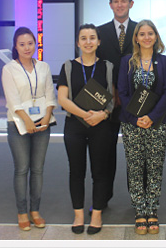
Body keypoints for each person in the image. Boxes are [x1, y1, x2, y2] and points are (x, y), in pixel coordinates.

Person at [57, 24, 115, 235]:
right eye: (84, 38)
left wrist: (103, 115)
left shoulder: (107, 67)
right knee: (76, 171)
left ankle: (97, 214)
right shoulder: (69, 66)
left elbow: (112, 98)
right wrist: (86, 115)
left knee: (100, 171)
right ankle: (79, 214)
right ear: (78, 42)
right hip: (75, 126)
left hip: (101, 126)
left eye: (92, 38)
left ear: (98, 41)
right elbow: (62, 99)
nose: (88, 42)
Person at [118, 20, 166, 235]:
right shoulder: (127, 62)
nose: (147, 37)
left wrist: (151, 116)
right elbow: (122, 92)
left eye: (151, 33)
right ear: (136, 38)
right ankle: (140, 210)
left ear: (156, 37)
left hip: (158, 123)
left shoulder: (165, 61)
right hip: (132, 124)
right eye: (142, 34)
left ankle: (153, 210)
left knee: (154, 167)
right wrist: (137, 117)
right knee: (135, 166)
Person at [2, 27, 57, 231]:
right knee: (22, 169)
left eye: (30, 43)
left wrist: (46, 117)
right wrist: (26, 120)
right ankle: (22, 212)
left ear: (36, 44)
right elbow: (13, 99)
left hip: (42, 122)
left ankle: (35, 211)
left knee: (38, 169)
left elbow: (50, 94)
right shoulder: (9, 69)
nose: (27, 47)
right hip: (18, 124)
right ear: (15, 47)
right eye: (22, 44)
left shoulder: (43, 67)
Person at [96, 0, 138, 210]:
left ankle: (138, 200)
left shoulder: (141, 31)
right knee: (105, 155)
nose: (120, 5)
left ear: (131, 4)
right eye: (116, 1)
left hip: (135, 103)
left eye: (124, 1)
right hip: (108, 104)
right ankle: (102, 199)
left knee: (135, 155)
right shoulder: (99, 33)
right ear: (110, 5)